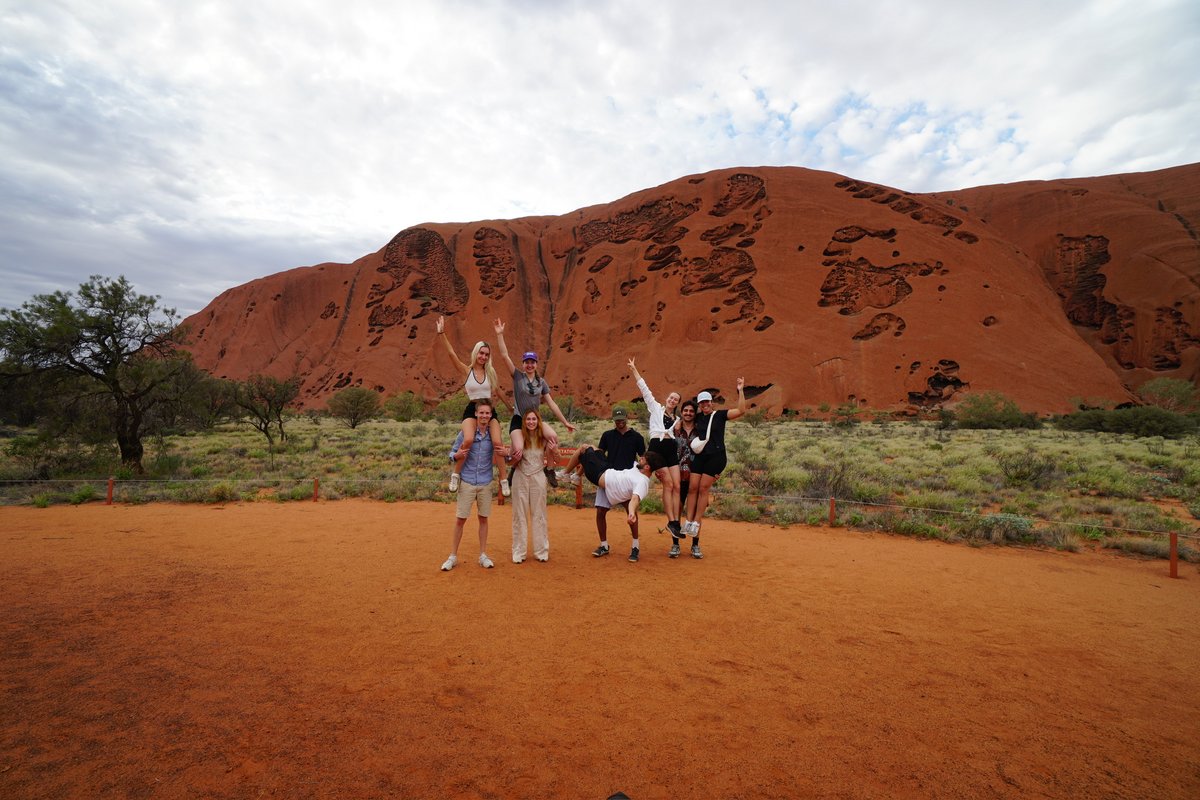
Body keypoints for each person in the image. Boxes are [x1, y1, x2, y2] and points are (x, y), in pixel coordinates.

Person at [491, 318, 576, 485]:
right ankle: (513, 470)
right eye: (526, 362)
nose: (529, 365)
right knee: (519, 449)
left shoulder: (541, 382)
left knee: (553, 437)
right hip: (519, 419)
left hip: (534, 420)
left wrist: (565, 422)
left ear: (536, 364)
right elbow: (504, 355)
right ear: (523, 364)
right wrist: (500, 335)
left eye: (532, 362)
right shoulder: (517, 377)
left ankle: (549, 469)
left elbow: (552, 403)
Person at [435, 316, 508, 496]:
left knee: (498, 443)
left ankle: (504, 480)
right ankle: (456, 474)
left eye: (486, 354)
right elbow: (451, 354)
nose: (483, 356)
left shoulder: (490, 372)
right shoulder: (466, 371)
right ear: (476, 353)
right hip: (472, 409)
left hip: (489, 410)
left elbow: (497, 391)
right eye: (481, 353)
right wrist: (442, 333)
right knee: (467, 440)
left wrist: (511, 408)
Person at [557, 446, 664, 562]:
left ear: (647, 467)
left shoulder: (642, 482)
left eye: (643, 459)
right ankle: (604, 546)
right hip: (606, 469)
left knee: (582, 450)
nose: (641, 458)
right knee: (592, 447)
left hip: (599, 475)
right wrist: (658, 471)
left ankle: (566, 474)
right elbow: (654, 465)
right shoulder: (637, 467)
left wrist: (632, 512)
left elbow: (635, 499)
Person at [681, 379, 747, 559]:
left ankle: (695, 524)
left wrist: (740, 390)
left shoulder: (719, 415)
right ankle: (688, 521)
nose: (704, 405)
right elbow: (684, 420)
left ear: (712, 402)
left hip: (716, 458)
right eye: (701, 402)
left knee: (703, 489)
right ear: (699, 405)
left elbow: (741, 411)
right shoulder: (697, 417)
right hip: (700, 457)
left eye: (707, 401)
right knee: (693, 488)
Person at [440, 399, 503, 571]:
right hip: (467, 481)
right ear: (475, 413)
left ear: (491, 416)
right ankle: (452, 556)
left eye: (487, 413)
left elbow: (501, 454)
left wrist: (509, 454)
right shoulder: (466, 433)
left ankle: (483, 555)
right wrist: (456, 455)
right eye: (481, 412)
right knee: (460, 519)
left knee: (483, 519)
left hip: (485, 481)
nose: (484, 416)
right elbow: (452, 452)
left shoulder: (493, 435)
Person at [627, 357, 682, 537]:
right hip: (657, 448)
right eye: (671, 397)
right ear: (667, 399)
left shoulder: (678, 421)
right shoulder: (655, 409)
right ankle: (672, 521)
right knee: (667, 484)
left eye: (676, 399)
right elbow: (644, 389)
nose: (672, 400)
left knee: (677, 485)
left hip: (671, 449)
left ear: (677, 403)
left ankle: (675, 523)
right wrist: (634, 369)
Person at [510, 408, 550, 564]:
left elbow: (554, 460)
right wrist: (514, 458)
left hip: (538, 476)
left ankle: (541, 551)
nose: (531, 422)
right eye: (528, 419)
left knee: (539, 514)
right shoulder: (519, 438)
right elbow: (510, 461)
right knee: (519, 515)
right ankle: (519, 552)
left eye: (534, 419)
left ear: (538, 421)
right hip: (520, 476)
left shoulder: (544, 438)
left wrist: (553, 450)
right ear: (524, 422)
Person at [672, 399, 700, 559]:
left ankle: (695, 545)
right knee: (677, 510)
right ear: (681, 412)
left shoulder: (700, 430)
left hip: (696, 474)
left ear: (694, 413)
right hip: (678, 475)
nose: (688, 413)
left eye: (691, 411)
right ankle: (675, 544)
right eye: (685, 410)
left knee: (695, 512)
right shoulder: (675, 430)